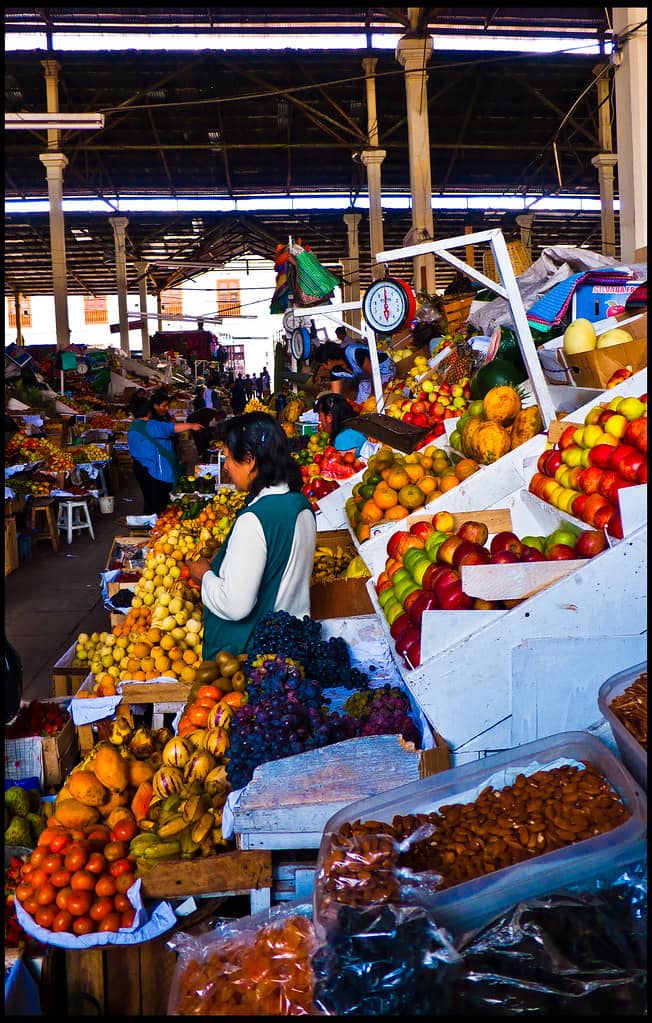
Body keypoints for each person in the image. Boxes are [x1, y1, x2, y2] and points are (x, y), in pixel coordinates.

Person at [186, 412, 316, 657]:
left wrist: (204, 575)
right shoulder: (301, 504)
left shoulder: (254, 520)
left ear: (249, 459)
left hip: (254, 652)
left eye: (227, 457)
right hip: (290, 640)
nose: (225, 466)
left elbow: (235, 605)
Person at [128, 395, 204, 515]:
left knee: (149, 501)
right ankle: (157, 527)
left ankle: (148, 526)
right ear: (148, 411)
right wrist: (191, 426)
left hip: (140, 469)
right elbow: (171, 428)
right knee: (161, 505)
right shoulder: (151, 425)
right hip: (156, 471)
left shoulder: (133, 427)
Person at [312, 339, 397, 404]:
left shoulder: (354, 353)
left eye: (322, 364)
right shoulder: (334, 372)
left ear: (329, 360)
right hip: (366, 377)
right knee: (360, 404)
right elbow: (336, 395)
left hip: (383, 370)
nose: (322, 368)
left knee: (377, 402)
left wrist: (373, 397)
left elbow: (374, 375)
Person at [314, 392, 368, 457]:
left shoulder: (342, 439)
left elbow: (342, 464)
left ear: (329, 417)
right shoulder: (356, 428)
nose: (319, 419)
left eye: (320, 415)